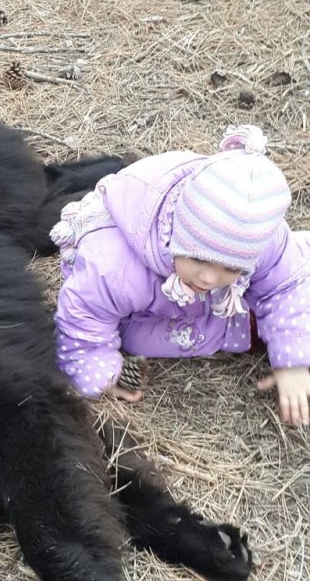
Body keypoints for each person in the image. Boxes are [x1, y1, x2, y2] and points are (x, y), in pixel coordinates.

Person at [51, 125, 310, 426]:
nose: (209, 278)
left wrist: (293, 361)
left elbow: (283, 285)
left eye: (231, 268)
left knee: (292, 270)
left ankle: (274, 316)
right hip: (140, 303)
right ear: (178, 234)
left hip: (197, 268)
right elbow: (84, 316)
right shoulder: (114, 266)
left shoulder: (261, 240)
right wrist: (96, 372)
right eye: (199, 259)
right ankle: (241, 326)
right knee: (138, 339)